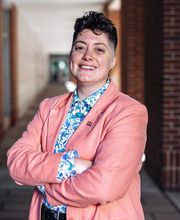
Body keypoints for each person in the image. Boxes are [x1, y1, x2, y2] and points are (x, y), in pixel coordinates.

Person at [7, 11, 148, 220]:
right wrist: (72, 164)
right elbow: (16, 162)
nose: (87, 56)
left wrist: (47, 186)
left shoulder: (128, 112)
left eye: (99, 49)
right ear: (71, 54)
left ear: (112, 62)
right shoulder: (49, 107)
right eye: (80, 47)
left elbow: (105, 186)